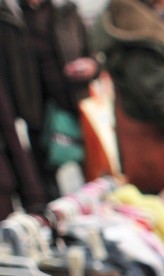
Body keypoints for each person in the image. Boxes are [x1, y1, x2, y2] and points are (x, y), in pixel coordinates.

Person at [95, 0, 164, 192]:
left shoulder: (123, 19)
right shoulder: (138, 33)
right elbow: (155, 97)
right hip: (157, 140)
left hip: (144, 137)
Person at [0, 0, 97, 203]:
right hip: (35, 111)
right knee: (46, 182)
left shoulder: (66, 10)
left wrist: (91, 67)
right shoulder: (9, 16)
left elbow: (93, 55)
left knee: (93, 173)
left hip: (74, 104)